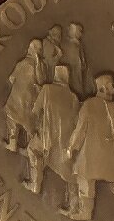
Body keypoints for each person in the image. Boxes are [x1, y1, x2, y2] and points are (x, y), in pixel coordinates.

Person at [66, 72, 114, 221]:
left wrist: (72, 147)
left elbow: (80, 129)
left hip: (91, 154)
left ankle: (85, 213)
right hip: (111, 155)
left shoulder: (88, 105)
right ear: (103, 88)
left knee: (85, 180)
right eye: (111, 86)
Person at [25, 64, 79, 210]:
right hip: (66, 141)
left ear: (56, 75)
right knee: (70, 173)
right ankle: (74, 205)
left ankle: (35, 184)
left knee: (32, 150)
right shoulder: (73, 97)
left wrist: (33, 128)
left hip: (47, 137)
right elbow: (76, 120)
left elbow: (35, 110)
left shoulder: (47, 89)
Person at [3, 38, 46, 152]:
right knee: (30, 123)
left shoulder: (22, 63)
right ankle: (33, 146)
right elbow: (41, 81)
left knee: (12, 118)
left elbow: (11, 78)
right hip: (29, 100)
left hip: (16, 98)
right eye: (40, 49)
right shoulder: (39, 66)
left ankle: (13, 143)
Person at [61, 22, 89, 96]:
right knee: (74, 85)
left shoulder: (79, 44)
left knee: (79, 84)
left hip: (79, 69)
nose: (81, 34)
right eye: (79, 31)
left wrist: (83, 62)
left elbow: (81, 56)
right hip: (72, 69)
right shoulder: (68, 44)